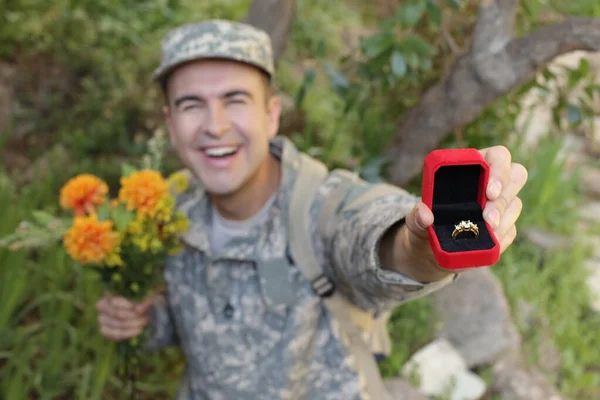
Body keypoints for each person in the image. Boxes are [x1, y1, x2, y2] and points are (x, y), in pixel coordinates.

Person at [96, 19, 528, 399]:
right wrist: (142, 318)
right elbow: (185, 323)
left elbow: (374, 237)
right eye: (192, 105)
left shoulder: (323, 207)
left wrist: (422, 243)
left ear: (272, 115)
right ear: (171, 125)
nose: (215, 125)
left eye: (235, 100)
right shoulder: (165, 215)